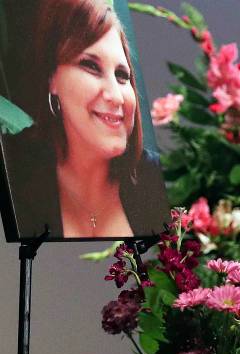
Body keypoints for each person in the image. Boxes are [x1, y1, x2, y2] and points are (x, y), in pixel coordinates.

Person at [1, 0, 167, 240]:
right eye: (90, 66)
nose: (115, 95)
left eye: (122, 76)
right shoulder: (15, 172)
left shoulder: (157, 182)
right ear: (52, 79)